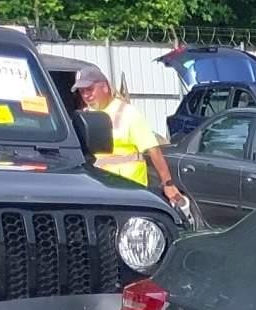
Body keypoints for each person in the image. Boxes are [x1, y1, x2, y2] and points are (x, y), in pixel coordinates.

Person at [73, 63, 186, 216]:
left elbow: (153, 149)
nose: (86, 95)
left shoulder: (127, 113)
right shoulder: (84, 116)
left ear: (105, 87)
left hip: (130, 191)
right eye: (82, 91)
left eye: (89, 89)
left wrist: (168, 184)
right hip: (99, 190)